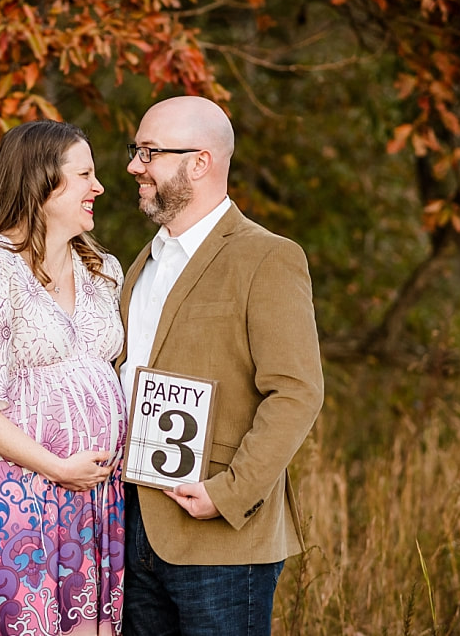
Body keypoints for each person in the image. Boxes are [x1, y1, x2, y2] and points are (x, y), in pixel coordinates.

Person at [117, 96, 324, 636]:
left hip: (222, 540)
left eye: (149, 152)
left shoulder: (267, 257)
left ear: (199, 161)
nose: (134, 166)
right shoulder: (142, 261)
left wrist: (228, 493)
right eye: (137, 151)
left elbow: (297, 392)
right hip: (131, 530)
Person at [0, 120, 127, 635]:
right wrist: (58, 467)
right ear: (43, 184)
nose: (98, 187)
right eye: (84, 174)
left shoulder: (103, 270)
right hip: (10, 497)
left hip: (92, 494)